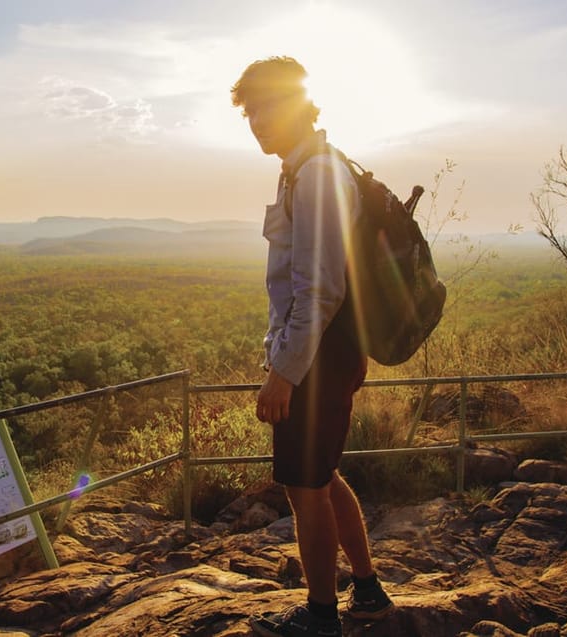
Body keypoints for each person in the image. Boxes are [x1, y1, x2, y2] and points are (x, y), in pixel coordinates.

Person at [231, 56, 394, 637]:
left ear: (301, 104)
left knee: (303, 489)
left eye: (269, 107)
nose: (257, 120)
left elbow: (319, 291)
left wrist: (285, 373)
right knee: (321, 476)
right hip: (324, 351)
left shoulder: (319, 175)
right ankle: (369, 593)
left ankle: (323, 616)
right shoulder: (300, 171)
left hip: (320, 356)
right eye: (250, 111)